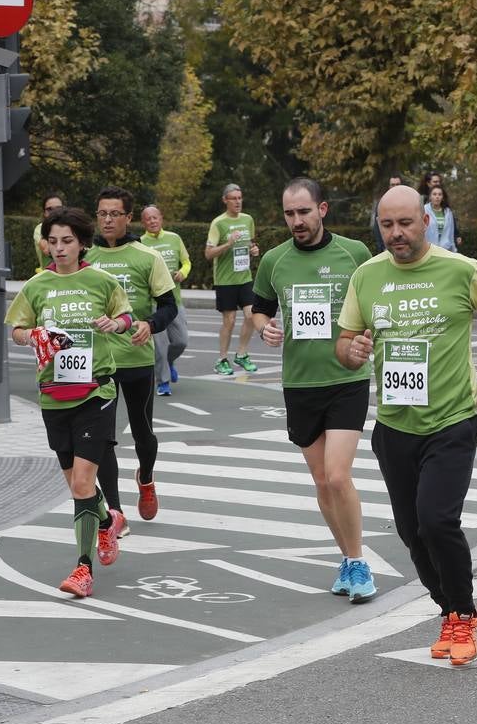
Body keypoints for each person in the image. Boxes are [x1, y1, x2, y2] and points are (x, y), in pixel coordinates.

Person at [336, 184, 477, 666]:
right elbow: (346, 341)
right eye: (387, 225)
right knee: (412, 531)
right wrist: (351, 350)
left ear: (425, 221)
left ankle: (464, 613)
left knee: (438, 521)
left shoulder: (460, 270)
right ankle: (449, 611)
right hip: (395, 426)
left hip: (452, 420)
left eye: (405, 223)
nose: (396, 234)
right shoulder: (366, 276)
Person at [252, 178, 377, 602]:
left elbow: (374, 304)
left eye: (303, 212)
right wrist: (264, 328)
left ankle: (359, 562)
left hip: (347, 380)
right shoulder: (274, 260)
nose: (296, 221)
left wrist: (367, 338)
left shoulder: (354, 253)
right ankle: (347, 559)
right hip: (300, 383)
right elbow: (260, 307)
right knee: (322, 481)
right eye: (289, 214)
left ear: (322, 209)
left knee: (339, 475)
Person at [5, 206, 134, 597]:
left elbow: (126, 317)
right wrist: (32, 337)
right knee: (77, 488)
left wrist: (115, 324)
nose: (58, 249)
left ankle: (82, 569)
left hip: (96, 390)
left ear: (81, 244)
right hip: (53, 394)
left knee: (82, 483)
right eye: (53, 241)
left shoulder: (101, 281)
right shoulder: (37, 285)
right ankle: (109, 521)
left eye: (67, 241)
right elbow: (17, 329)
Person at [85, 187, 178, 534]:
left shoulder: (147, 256)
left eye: (114, 214)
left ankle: (147, 476)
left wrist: (150, 324)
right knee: (104, 438)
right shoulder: (85, 256)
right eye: (102, 214)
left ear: (128, 217)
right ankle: (115, 511)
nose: (107, 220)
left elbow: (170, 305)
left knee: (142, 432)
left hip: (137, 357)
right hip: (98, 362)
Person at [204, 183, 260, 375]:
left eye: (240, 198)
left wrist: (254, 250)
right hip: (225, 280)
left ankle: (242, 354)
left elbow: (251, 243)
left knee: (252, 315)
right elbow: (208, 254)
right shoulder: (218, 223)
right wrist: (228, 243)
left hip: (244, 277)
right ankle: (222, 359)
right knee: (229, 321)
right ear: (225, 200)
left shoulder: (248, 219)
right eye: (233, 198)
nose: (238, 202)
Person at [139, 204, 191, 396]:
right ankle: (163, 382)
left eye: (155, 217)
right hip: (154, 303)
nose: (152, 221)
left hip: (174, 299)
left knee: (181, 341)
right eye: (148, 218)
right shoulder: (140, 243)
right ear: (143, 222)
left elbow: (186, 262)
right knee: (160, 346)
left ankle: (168, 363)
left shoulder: (174, 238)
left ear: (161, 218)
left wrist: (183, 273)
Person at [33, 193, 63, 271]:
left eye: (58, 208)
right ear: (44, 213)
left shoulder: (72, 227)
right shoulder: (39, 229)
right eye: (50, 209)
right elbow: (47, 250)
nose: (54, 212)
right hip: (49, 277)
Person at [423, 185, 458, 252]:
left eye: (440, 194)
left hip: (445, 249)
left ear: (443, 197)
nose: (437, 197)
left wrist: (454, 251)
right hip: (428, 249)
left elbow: (451, 233)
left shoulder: (448, 212)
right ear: (430, 197)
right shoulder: (424, 210)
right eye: (434, 194)